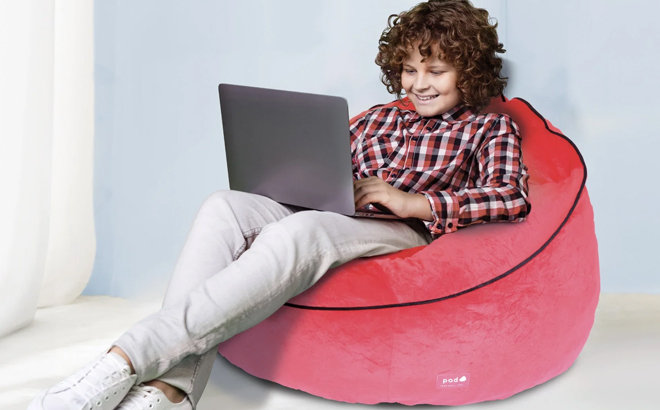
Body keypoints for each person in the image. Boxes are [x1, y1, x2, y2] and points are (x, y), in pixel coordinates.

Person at [28, 1, 531, 409]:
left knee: (300, 233)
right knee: (225, 205)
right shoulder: (379, 117)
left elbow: (511, 197)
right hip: (335, 210)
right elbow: (324, 159)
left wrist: (411, 201)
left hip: (402, 231)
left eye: (436, 71)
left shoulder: (489, 126)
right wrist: (299, 176)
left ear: (469, 72)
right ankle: (169, 393)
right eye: (409, 69)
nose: (419, 83)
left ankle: (124, 361)